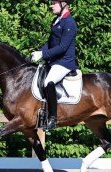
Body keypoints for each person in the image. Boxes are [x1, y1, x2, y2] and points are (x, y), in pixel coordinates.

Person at [31, 0, 78, 130]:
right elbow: (50, 42)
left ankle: (53, 118)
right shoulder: (57, 20)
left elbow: (63, 47)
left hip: (64, 62)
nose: (51, 6)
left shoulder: (69, 23)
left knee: (49, 81)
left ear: (64, 4)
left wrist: (44, 55)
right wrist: (40, 51)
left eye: (54, 3)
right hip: (54, 61)